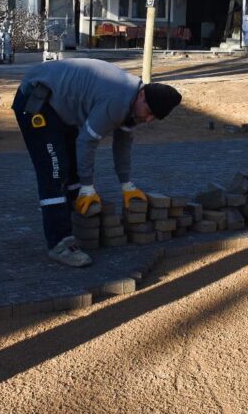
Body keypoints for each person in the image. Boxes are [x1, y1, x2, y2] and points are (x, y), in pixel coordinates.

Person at [13, 58, 182, 268]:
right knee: (54, 171)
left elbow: (122, 144)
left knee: (72, 166)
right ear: (141, 95)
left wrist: (126, 184)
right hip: (37, 100)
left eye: (154, 118)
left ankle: (81, 220)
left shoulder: (132, 104)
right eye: (148, 113)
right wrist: (87, 186)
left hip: (59, 107)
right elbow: (87, 140)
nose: (148, 120)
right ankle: (59, 244)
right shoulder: (118, 100)